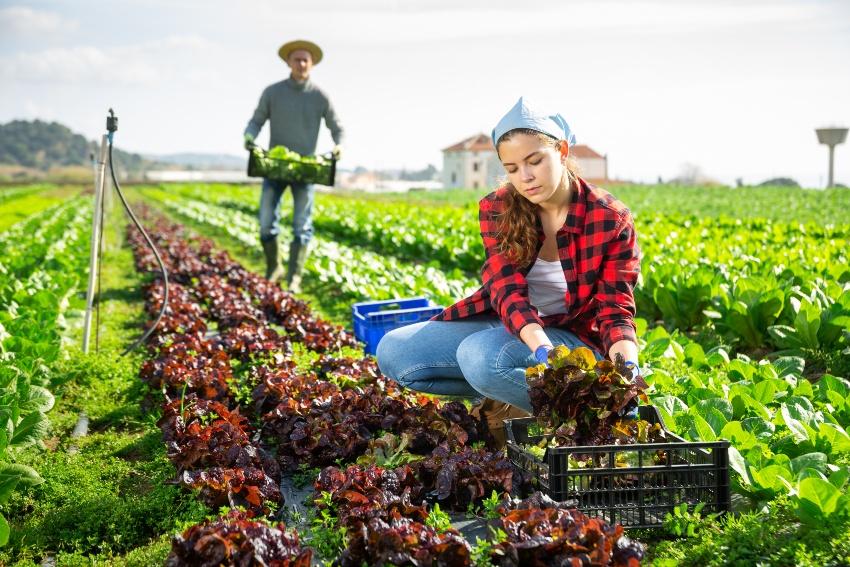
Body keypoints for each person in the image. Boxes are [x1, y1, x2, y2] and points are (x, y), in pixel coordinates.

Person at [376, 97, 641, 447]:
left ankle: (586, 419)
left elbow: (614, 310)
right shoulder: (498, 207)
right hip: (522, 328)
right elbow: (507, 291)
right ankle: (516, 398)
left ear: (561, 151)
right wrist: (542, 352)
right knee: (396, 352)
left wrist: (626, 373)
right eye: (512, 168)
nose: (525, 177)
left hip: (574, 341)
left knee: (482, 357)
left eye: (535, 161)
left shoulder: (608, 218)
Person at [244, 39, 344, 291]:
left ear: (311, 64)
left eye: (305, 60)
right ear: (288, 62)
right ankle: (273, 267)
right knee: (267, 220)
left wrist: (338, 144)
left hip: (306, 169)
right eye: (296, 59)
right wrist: (249, 137)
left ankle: (295, 277)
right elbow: (256, 121)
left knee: (302, 224)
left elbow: (337, 128)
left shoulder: (320, 96)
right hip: (275, 166)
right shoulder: (273, 92)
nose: (301, 63)